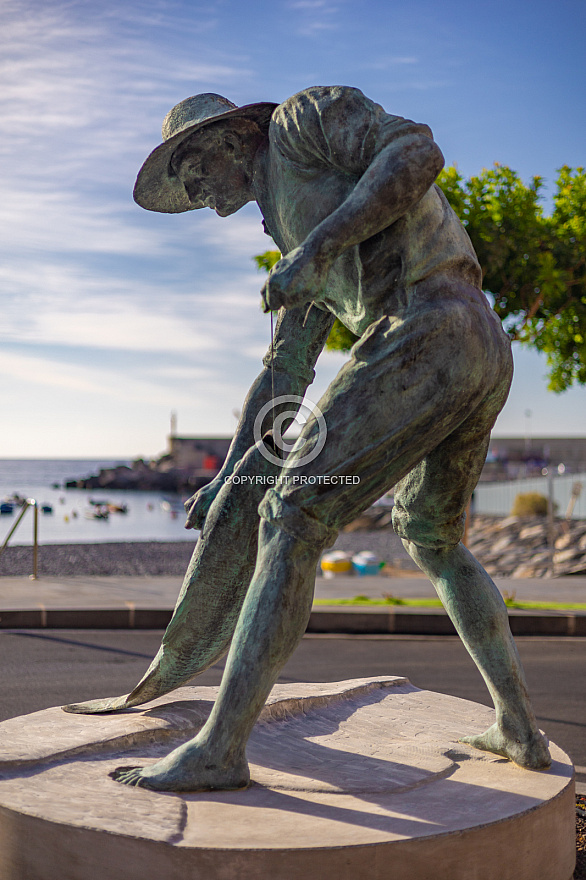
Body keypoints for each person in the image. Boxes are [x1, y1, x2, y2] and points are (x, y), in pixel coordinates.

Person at [70, 86, 551, 790]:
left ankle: (221, 748)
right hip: (475, 349)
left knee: (292, 515)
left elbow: (417, 151)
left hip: (431, 325)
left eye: (192, 167)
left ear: (232, 138)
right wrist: (233, 472)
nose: (195, 190)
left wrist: (320, 249)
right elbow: (282, 378)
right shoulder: (283, 234)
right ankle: (519, 728)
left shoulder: (301, 123)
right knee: (433, 539)